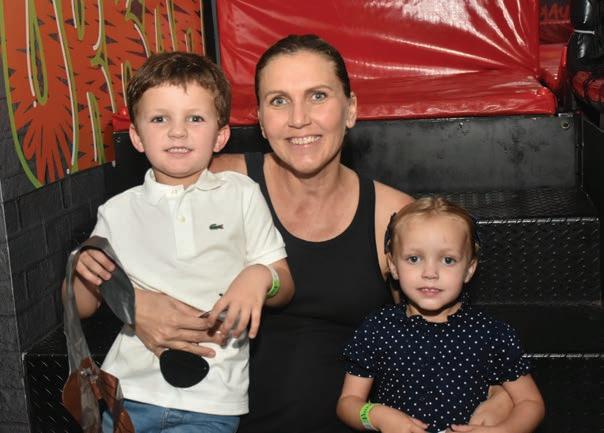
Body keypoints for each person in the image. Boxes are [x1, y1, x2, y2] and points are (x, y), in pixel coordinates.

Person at [130, 35, 514, 433]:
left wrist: (500, 393)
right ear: (260, 119)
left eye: (318, 96)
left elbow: (446, 330)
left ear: (351, 109)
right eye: (279, 100)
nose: (299, 118)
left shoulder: (392, 215)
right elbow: (104, 257)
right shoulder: (217, 182)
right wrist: (132, 303)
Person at [65, 51, 294, 433]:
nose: (177, 132)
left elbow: (283, 283)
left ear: (220, 135)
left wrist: (259, 276)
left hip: (212, 401)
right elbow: (84, 306)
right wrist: (81, 270)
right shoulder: (117, 211)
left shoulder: (241, 193)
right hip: (127, 394)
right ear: (136, 136)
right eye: (160, 119)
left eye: (195, 118)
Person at [337, 196, 545, 433]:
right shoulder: (378, 328)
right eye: (414, 258)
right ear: (393, 265)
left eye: (448, 260)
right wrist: (376, 416)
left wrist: (502, 431)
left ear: (469, 269)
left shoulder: (490, 332)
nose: (430, 273)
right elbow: (348, 404)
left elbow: (530, 402)